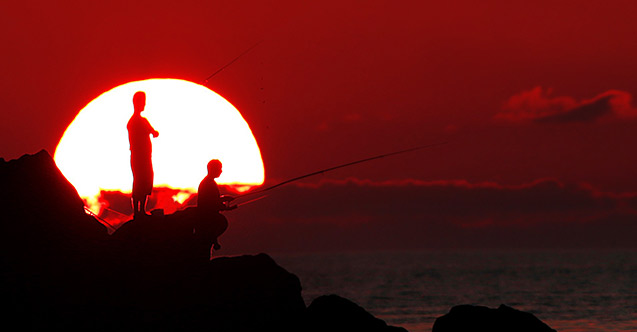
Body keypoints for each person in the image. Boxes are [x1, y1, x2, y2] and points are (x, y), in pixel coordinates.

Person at [127, 91, 159, 218]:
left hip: (144, 157)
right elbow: (154, 132)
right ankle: (138, 211)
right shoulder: (136, 121)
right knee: (140, 182)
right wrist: (152, 131)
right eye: (142, 102)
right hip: (139, 158)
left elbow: (153, 132)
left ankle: (141, 210)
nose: (144, 105)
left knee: (144, 181)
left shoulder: (139, 121)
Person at [196, 159, 235, 254]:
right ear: (212, 169)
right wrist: (225, 207)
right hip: (207, 220)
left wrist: (223, 199)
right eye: (219, 168)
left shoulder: (208, 182)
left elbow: (213, 200)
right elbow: (209, 203)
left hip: (208, 220)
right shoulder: (208, 183)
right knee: (204, 248)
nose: (221, 171)